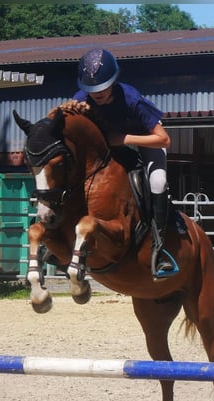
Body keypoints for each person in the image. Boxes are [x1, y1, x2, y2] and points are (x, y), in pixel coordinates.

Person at [71, 47, 177, 279]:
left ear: (113, 81)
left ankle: (160, 250)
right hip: (109, 149)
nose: (96, 94)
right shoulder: (82, 99)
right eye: (91, 89)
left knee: (158, 181)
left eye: (101, 87)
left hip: (144, 142)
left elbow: (164, 139)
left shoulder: (131, 98)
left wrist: (124, 139)